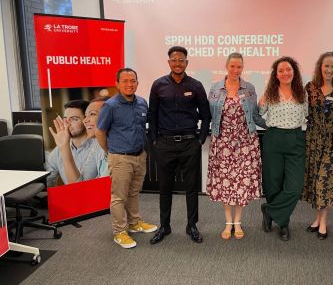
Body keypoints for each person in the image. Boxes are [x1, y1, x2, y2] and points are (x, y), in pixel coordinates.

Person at [149, 46, 211, 245]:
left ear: (187, 63)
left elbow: (206, 115)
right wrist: (155, 141)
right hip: (164, 144)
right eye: (174, 60)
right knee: (165, 187)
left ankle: (191, 225)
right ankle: (164, 226)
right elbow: (152, 115)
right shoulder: (158, 85)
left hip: (189, 143)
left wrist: (200, 139)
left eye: (181, 60)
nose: (177, 63)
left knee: (191, 188)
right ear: (169, 62)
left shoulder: (196, 85)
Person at [96, 68, 158, 249]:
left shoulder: (142, 102)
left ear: (137, 83)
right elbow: (100, 131)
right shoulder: (110, 105)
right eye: (125, 81)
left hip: (139, 155)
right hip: (120, 157)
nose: (129, 84)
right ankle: (119, 232)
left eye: (133, 81)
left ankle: (134, 222)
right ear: (117, 83)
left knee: (133, 192)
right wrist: (111, 152)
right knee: (119, 197)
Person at [207, 53, 266, 240]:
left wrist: (271, 123)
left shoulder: (249, 88)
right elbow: (210, 115)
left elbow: (255, 116)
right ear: (226, 66)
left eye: (239, 67)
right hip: (223, 142)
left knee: (241, 183)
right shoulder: (215, 88)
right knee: (225, 183)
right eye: (232, 66)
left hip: (245, 143)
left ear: (243, 67)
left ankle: (238, 223)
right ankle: (228, 223)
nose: (236, 70)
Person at [259, 56, 307, 241]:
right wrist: (270, 126)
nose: (285, 73)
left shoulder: (302, 93)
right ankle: (284, 223)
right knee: (273, 182)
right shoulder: (270, 93)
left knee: (294, 187)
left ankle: (269, 210)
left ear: (294, 72)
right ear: (276, 74)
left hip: (296, 138)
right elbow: (258, 114)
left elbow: (308, 115)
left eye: (288, 69)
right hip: (274, 139)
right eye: (281, 70)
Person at [302, 51, 333, 239]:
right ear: (320, 66)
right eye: (326, 66)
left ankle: (323, 222)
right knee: (314, 181)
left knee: (325, 182)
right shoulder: (310, 87)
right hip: (312, 141)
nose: (329, 69)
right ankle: (317, 219)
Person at [46, 100, 106, 187]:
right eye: (65, 119)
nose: (67, 124)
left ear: (85, 120)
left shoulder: (99, 146)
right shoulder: (58, 150)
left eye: (74, 119)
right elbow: (48, 180)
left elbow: (82, 187)